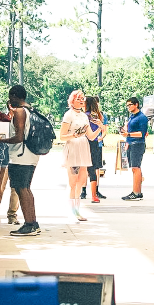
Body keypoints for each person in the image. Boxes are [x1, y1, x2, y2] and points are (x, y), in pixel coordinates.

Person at [0, 85, 41, 236]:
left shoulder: (20, 112)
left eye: (11, 97)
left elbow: (19, 137)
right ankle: (33, 223)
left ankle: (28, 225)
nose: (10, 100)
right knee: (26, 188)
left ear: (15, 96)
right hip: (31, 154)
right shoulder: (31, 110)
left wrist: (1, 140)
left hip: (21, 156)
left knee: (21, 189)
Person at [60, 90, 101, 221]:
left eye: (83, 98)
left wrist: (100, 127)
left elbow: (91, 136)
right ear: (72, 100)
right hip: (73, 147)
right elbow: (61, 136)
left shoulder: (84, 116)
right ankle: (72, 210)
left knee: (82, 181)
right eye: (78, 98)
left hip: (83, 147)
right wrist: (74, 135)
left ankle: (77, 209)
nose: (81, 100)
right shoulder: (68, 115)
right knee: (73, 181)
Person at [120, 97, 148, 201]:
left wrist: (128, 134)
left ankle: (135, 192)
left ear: (136, 105)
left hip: (138, 144)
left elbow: (142, 133)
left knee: (136, 168)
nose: (128, 107)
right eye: (127, 105)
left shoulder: (142, 117)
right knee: (134, 168)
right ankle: (138, 192)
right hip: (131, 143)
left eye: (130, 105)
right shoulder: (132, 117)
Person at [85, 96, 107, 203]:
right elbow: (102, 129)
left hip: (84, 141)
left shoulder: (83, 116)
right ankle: (94, 195)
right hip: (94, 142)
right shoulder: (98, 115)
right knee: (93, 169)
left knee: (81, 168)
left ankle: (82, 191)